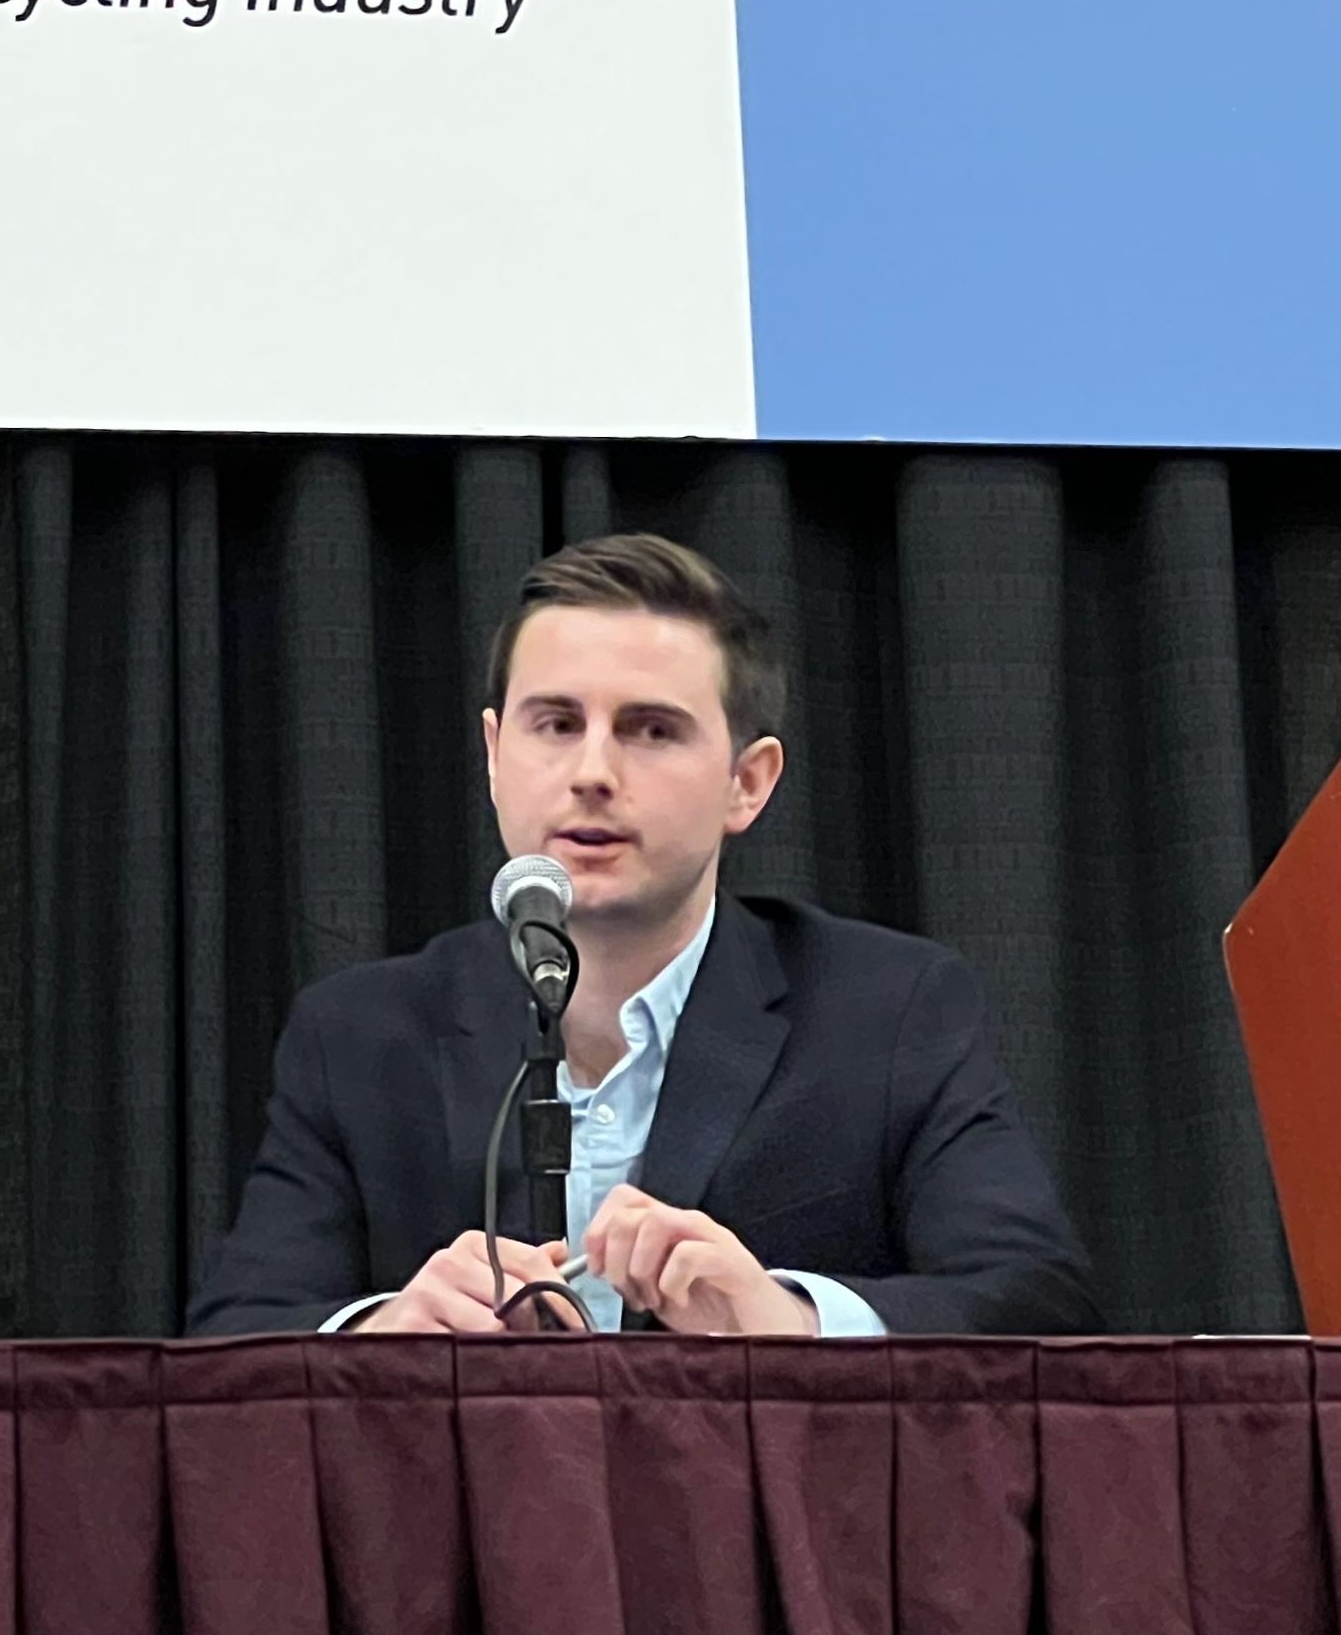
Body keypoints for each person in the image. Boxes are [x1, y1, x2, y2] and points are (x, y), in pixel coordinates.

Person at [187, 534, 1097, 1338]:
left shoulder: (888, 1011)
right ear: (494, 755)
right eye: (556, 724)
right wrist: (385, 1332)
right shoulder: (358, 1034)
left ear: (748, 782)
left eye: (651, 730)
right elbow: (234, 1340)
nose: (592, 772)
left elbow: (1037, 1305)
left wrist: (792, 1319)